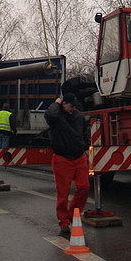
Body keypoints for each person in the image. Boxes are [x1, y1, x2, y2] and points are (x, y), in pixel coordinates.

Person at [44, 92, 90, 237]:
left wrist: (86, 148)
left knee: (84, 187)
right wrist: (56, 103)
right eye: (70, 106)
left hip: (79, 157)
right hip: (62, 159)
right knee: (62, 193)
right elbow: (49, 115)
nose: (72, 109)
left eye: (74, 106)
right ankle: (64, 222)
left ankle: (72, 215)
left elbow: (85, 132)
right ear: (63, 104)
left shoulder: (79, 117)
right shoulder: (56, 117)